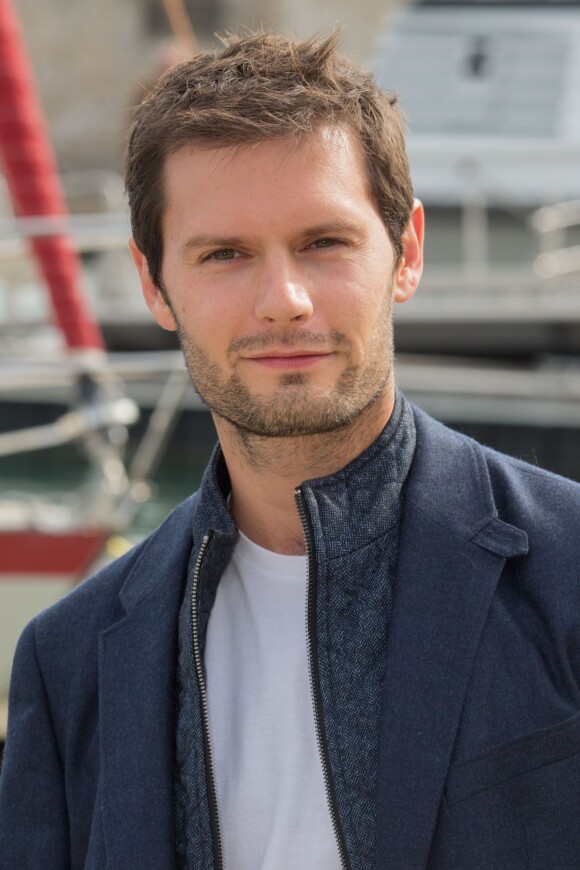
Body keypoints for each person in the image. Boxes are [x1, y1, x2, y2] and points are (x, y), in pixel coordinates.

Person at [1, 31, 579, 870]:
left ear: (405, 253)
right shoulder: (69, 664)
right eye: (224, 254)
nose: (284, 301)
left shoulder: (566, 571)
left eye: (324, 242)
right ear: (154, 283)